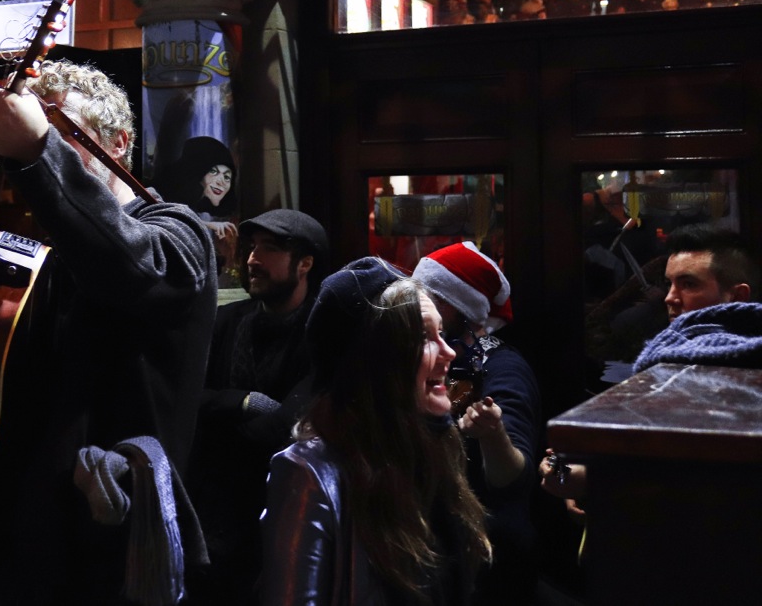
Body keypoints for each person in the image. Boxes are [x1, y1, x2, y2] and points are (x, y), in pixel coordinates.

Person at [0, 59, 218, 605]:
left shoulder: (179, 231)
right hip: (28, 540)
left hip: (115, 541)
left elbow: (132, 268)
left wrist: (40, 149)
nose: (47, 147)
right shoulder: (52, 258)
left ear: (118, 140)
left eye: (64, 131)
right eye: (47, 133)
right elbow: (10, 348)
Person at [260, 259, 490, 605]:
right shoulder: (309, 473)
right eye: (424, 337)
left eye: (441, 332)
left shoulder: (431, 448)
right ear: (375, 360)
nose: (448, 352)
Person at [540, 223, 759, 512]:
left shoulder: (711, 367)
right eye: (669, 283)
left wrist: (592, 480)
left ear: (737, 296)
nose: (670, 297)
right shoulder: (681, 352)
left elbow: (697, 475)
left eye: (689, 284)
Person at [187, 209, 329, 605]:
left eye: (269, 248)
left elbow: (287, 427)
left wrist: (221, 417)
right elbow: (185, 400)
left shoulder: (322, 335)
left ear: (305, 264)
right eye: (252, 247)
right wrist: (242, 402)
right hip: (212, 517)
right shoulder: (225, 321)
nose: (252, 258)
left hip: (285, 520)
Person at [413, 241, 540, 605]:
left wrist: (493, 433)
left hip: (490, 559)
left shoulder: (504, 368)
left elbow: (513, 480)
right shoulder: (431, 359)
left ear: (461, 308)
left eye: (428, 296)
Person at [157, 136, 239, 286]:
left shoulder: (193, 207)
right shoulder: (168, 202)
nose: (221, 181)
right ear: (198, 171)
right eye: (213, 171)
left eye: (227, 176)